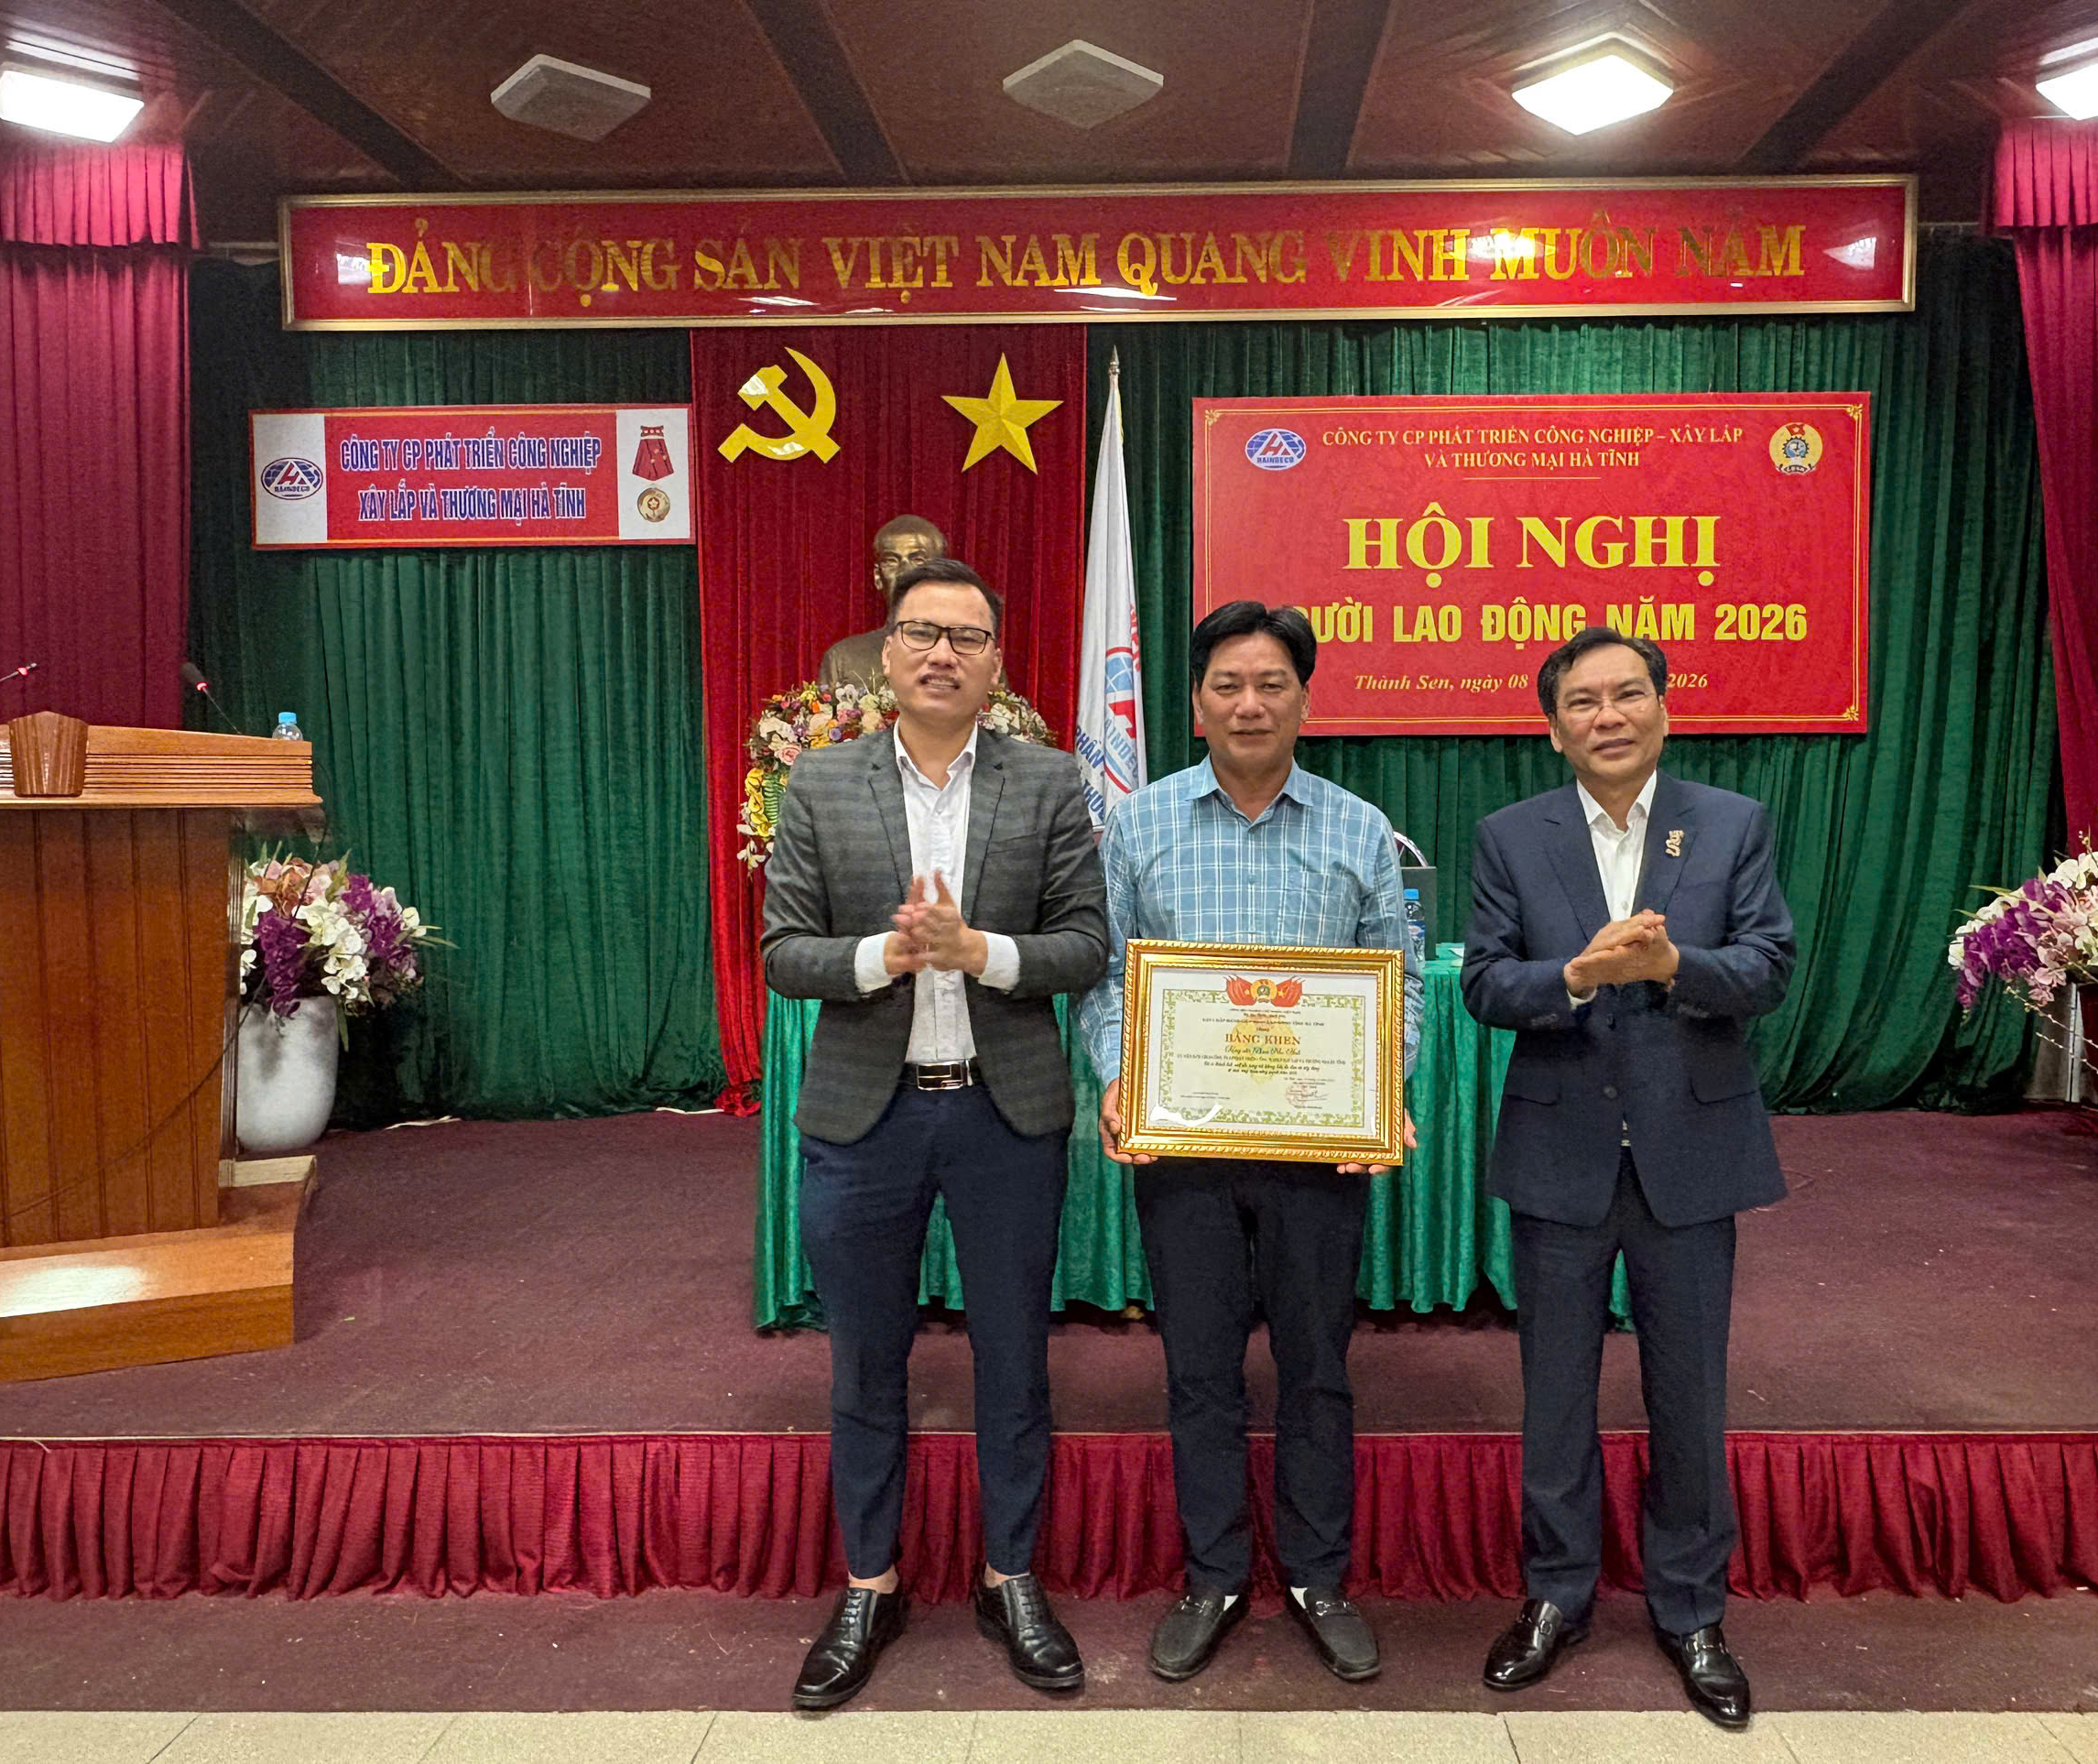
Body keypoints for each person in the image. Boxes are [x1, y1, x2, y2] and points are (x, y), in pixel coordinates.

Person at [762, 557, 1110, 1710]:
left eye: (966, 637)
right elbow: (783, 951)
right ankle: (871, 1582)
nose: (942, 654)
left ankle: (1011, 1577)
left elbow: (1085, 946)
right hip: (865, 1118)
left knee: (1015, 1358)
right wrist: (887, 955)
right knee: (867, 1361)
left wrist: (979, 953)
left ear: (996, 662)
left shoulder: (1048, 781)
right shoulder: (823, 782)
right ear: (889, 652)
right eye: (921, 633)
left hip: (1005, 1115)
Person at [1459, 626, 1794, 1730]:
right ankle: (1554, 1596)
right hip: (1559, 1152)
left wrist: (1672, 966)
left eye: (1628, 694)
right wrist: (1575, 974)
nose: (1608, 716)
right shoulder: (1512, 836)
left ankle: (1692, 1611)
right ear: (1553, 728)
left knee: (1689, 1393)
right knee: (1555, 1394)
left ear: (1663, 707)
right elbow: (1485, 984)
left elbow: (1768, 968)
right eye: (1583, 702)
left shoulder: (1730, 823)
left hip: (1690, 1153)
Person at [1081, 600, 1422, 1686]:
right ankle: (1214, 1575)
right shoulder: (1138, 825)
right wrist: (1121, 1075)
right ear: (1195, 702)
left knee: (1318, 1368)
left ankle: (1319, 1577)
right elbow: (1106, 979)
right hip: (1184, 1146)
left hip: (1319, 1149)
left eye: (1272, 683)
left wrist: (1381, 1090)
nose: (1249, 703)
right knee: (1199, 1369)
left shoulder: (1359, 829)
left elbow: (1402, 986)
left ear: (1305, 700)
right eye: (1227, 684)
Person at [817, 516, 948, 689]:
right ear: (878, 577)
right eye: (891, 561)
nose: (904, 572)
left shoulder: (965, 655)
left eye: (918, 560)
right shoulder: (843, 659)